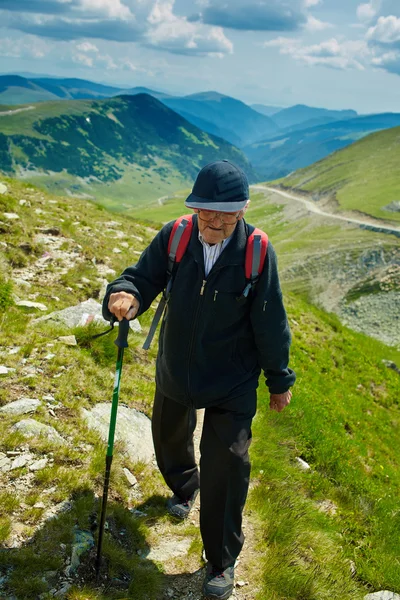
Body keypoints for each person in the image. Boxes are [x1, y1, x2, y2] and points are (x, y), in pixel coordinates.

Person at [102, 159, 295, 600]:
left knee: (227, 464)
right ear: (195, 208)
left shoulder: (257, 252)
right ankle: (185, 488)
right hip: (177, 368)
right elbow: (141, 277)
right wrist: (125, 294)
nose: (213, 221)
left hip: (232, 380)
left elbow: (271, 322)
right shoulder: (176, 236)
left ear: (242, 210)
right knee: (169, 436)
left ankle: (221, 560)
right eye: (205, 211)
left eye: (225, 214)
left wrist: (278, 380)